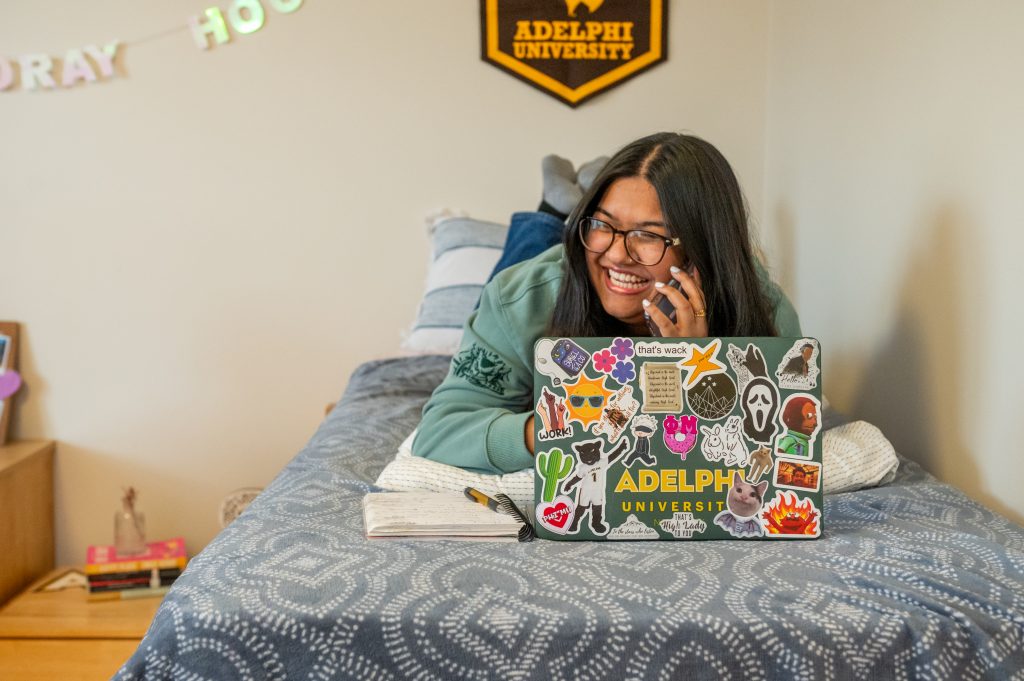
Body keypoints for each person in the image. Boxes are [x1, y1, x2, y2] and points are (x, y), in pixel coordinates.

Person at [412, 132, 801, 474]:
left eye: (649, 235)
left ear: (701, 252)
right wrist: (559, 429)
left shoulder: (760, 303)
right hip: (560, 272)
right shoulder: (520, 297)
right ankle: (556, 209)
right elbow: (439, 433)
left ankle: (572, 206)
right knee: (535, 242)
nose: (617, 254)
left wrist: (697, 363)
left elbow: (785, 438)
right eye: (602, 223)